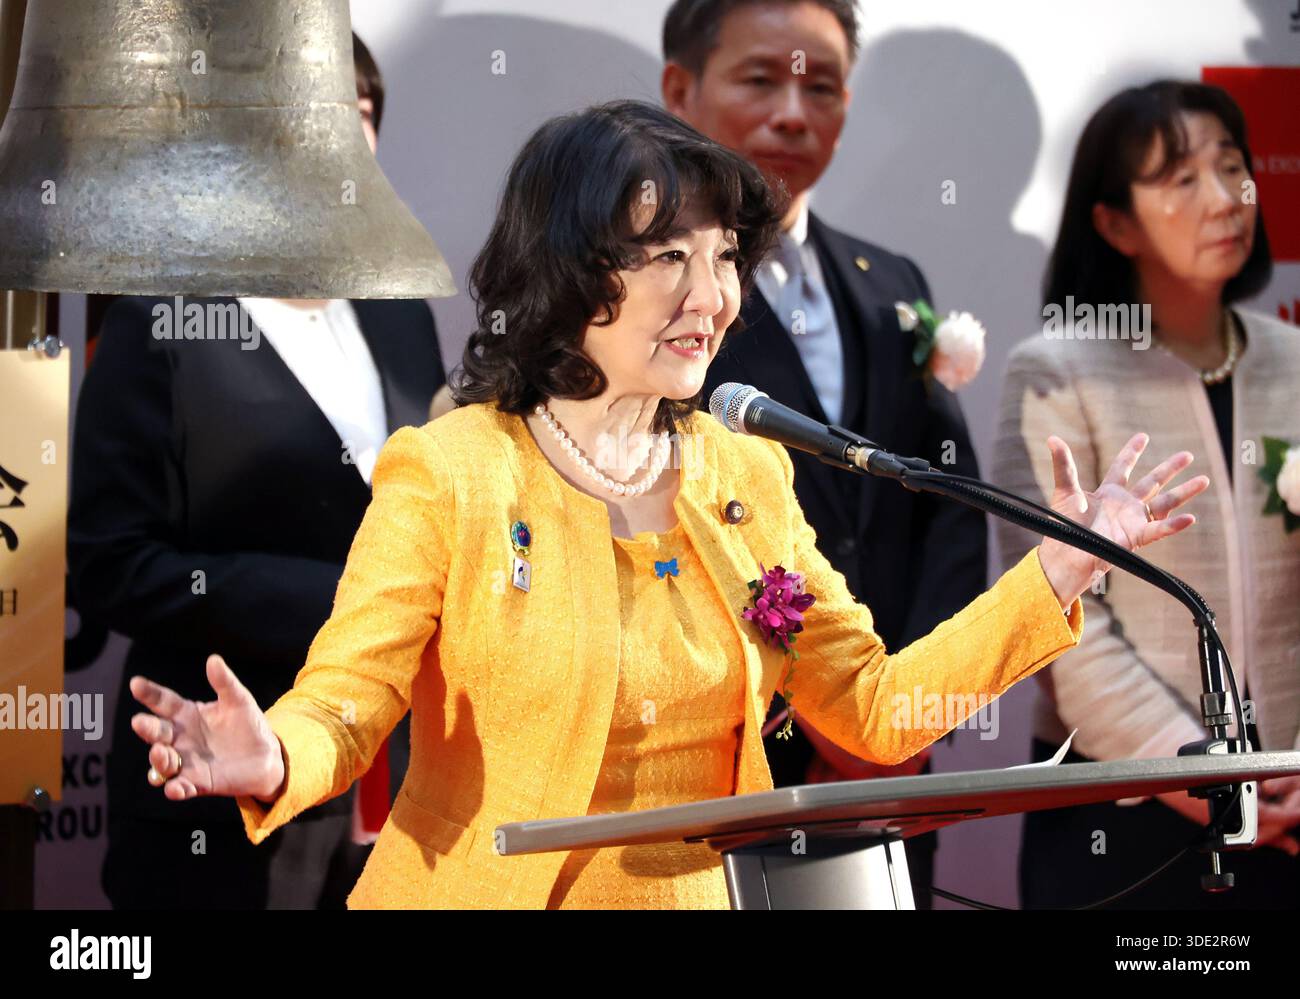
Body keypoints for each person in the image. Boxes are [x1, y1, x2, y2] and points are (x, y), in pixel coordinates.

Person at [126, 100, 1204, 910]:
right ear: (570, 273)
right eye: (667, 257)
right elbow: (349, 702)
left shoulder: (744, 473)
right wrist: (276, 755)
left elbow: (873, 710)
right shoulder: (451, 470)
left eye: (726, 256)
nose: (714, 295)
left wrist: (1062, 567)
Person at [68, 33, 446, 908]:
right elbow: (109, 562)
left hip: (392, 790)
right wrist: (334, 602)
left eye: (354, 119)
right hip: (211, 791)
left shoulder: (399, 314)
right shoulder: (159, 319)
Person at [661, 0, 989, 904]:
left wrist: (915, 707)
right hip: (734, 766)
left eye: (823, 88)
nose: (794, 114)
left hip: (894, 771)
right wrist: (828, 713)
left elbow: (948, 503)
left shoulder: (894, 284)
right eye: (760, 80)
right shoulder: (644, 296)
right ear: (680, 89)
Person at [994, 79, 1300, 909]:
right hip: (1127, 804)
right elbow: (1062, 621)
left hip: (1292, 797)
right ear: (1115, 222)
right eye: (1179, 179)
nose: (1223, 199)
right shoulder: (1057, 371)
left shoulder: (1293, 358)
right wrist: (1194, 766)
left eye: (1232, 168)